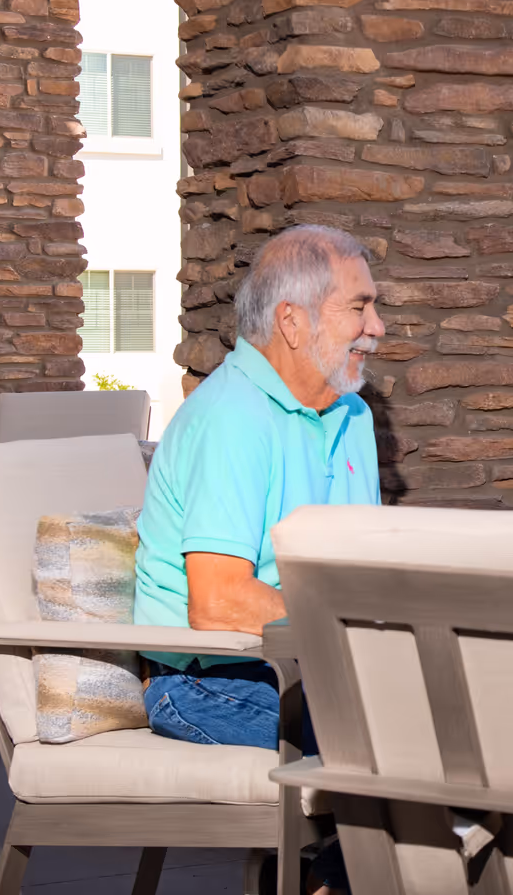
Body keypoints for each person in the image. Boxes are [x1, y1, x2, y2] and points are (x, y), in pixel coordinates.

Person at [134, 223, 383, 749]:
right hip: (207, 679)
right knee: (394, 739)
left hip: (311, 662)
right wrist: (361, 632)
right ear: (292, 320)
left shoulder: (352, 413)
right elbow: (219, 602)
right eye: (358, 307)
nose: (377, 327)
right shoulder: (232, 417)